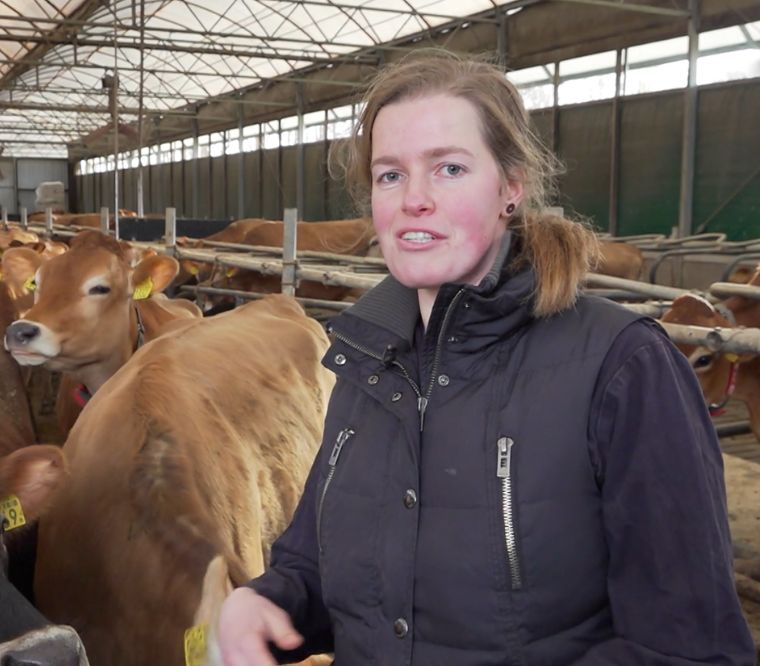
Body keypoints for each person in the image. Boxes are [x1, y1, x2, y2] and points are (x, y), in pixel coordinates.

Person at [214, 50, 755, 665]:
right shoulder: (365, 362)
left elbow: (688, 649)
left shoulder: (623, 368)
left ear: (510, 187)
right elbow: (316, 559)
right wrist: (269, 601)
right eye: (390, 175)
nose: (414, 198)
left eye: (448, 168)